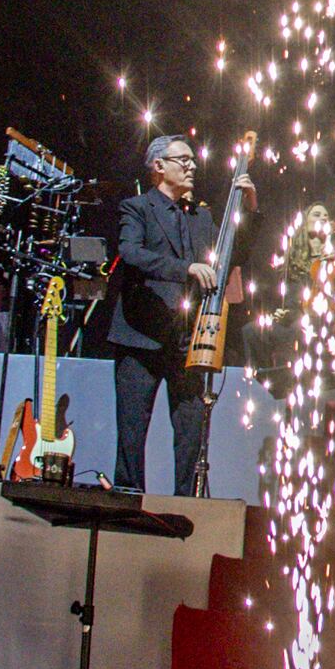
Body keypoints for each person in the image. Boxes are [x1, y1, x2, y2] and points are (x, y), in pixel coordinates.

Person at [106, 135, 252, 496]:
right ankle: (128, 499)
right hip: (139, 338)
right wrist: (185, 268)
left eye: (192, 160)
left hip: (186, 341)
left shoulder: (200, 216)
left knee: (190, 430)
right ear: (159, 166)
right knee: (132, 430)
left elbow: (232, 255)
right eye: (182, 160)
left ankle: (188, 504)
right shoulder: (136, 208)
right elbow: (131, 252)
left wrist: (248, 207)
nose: (191, 167)